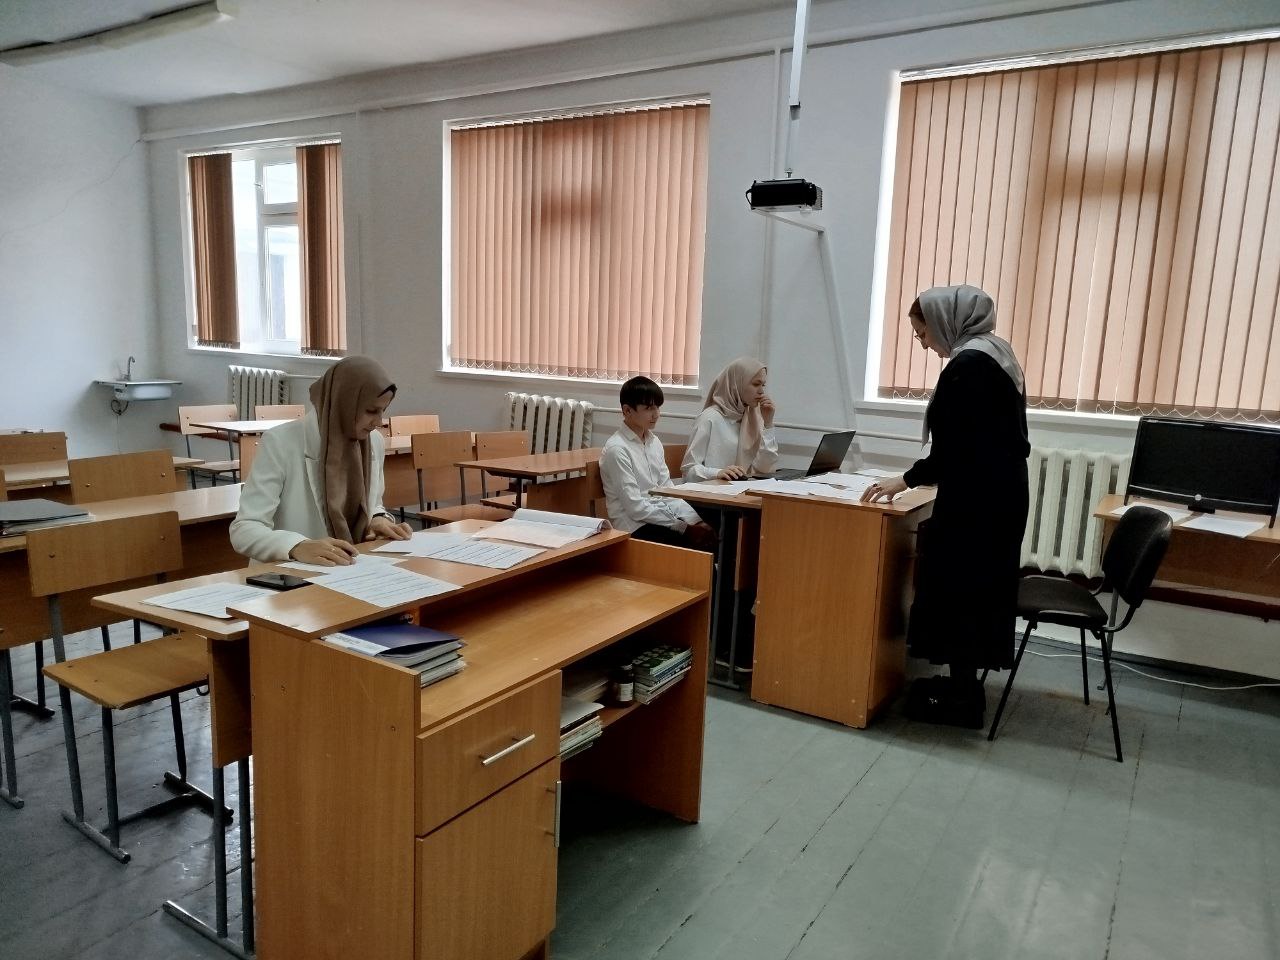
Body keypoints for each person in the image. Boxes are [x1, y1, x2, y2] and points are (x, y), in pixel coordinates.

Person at [862, 284, 1030, 729]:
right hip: (999, 493)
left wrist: (905, 479)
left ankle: (961, 700)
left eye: (922, 333)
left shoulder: (969, 365)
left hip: (980, 501)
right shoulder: (996, 353)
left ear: (944, 322)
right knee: (974, 589)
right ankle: (963, 686)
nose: (923, 343)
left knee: (961, 588)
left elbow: (956, 447)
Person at [230, 355, 413, 565]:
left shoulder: (373, 442)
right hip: (291, 573)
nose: (379, 421)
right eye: (371, 411)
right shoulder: (280, 442)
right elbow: (244, 529)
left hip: (353, 567)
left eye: (383, 410)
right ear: (343, 403)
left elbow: (374, 503)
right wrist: (296, 546)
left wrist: (377, 519)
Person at [599, 376, 715, 549]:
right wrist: (683, 528)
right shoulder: (617, 449)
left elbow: (667, 491)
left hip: (658, 517)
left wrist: (696, 521)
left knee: (711, 526)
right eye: (648, 408)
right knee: (694, 544)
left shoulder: (654, 442)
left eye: (657, 407)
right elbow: (635, 508)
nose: (656, 414)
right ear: (627, 410)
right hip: (634, 526)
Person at [682, 357, 779, 481]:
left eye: (763, 385)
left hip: (745, 488)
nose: (761, 391)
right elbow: (688, 471)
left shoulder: (753, 418)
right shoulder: (709, 418)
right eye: (756, 384)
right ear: (736, 384)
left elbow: (766, 469)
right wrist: (717, 473)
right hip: (713, 490)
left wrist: (768, 424)